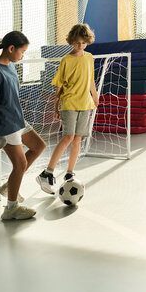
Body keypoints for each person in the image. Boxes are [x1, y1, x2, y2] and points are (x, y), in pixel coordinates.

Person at [0, 31, 46, 220]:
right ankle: (11, 208)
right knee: (20, 164)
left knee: (39, 146)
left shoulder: (10, 66)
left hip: (18, 121)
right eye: (22, 51)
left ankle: (9, 186)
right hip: (4, 126)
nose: (23, 55)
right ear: (11, 49)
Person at [36, 23, 99, 193]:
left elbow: (91, 80)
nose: (81, 46)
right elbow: (59, 87)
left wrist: (95, 96)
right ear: (72, 41)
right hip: (69, 103)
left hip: (85, 103)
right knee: (68, 137)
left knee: (78, 139)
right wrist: (56, 107)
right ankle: (47, 172)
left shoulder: (89, 57)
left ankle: (69, 173)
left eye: (84, 43)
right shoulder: (66, 60)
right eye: (78, 42)